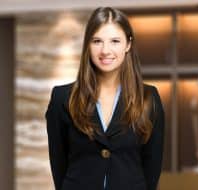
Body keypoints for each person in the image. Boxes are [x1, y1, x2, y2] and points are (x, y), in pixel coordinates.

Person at [45, 7, 165, 190]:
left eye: (115, 41)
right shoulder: (63, 98)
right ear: (88, 45)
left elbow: (152, 166)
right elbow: (58, 162)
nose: (105, 50)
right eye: (97, 41)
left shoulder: (149, 98)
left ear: (128, 45)